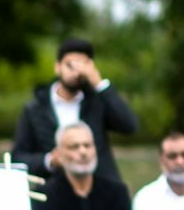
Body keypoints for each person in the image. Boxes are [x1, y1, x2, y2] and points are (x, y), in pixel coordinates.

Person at [12, 36, 140, 182]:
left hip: (99, 186)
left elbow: (129, 126)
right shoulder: (35, 109)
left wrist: (99, 83)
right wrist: (50, 161)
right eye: (71, 65)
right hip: (55, 189)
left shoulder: (96, 102)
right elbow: (18, 158)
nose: (76, 72)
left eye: (83, 65)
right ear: (57, 67)